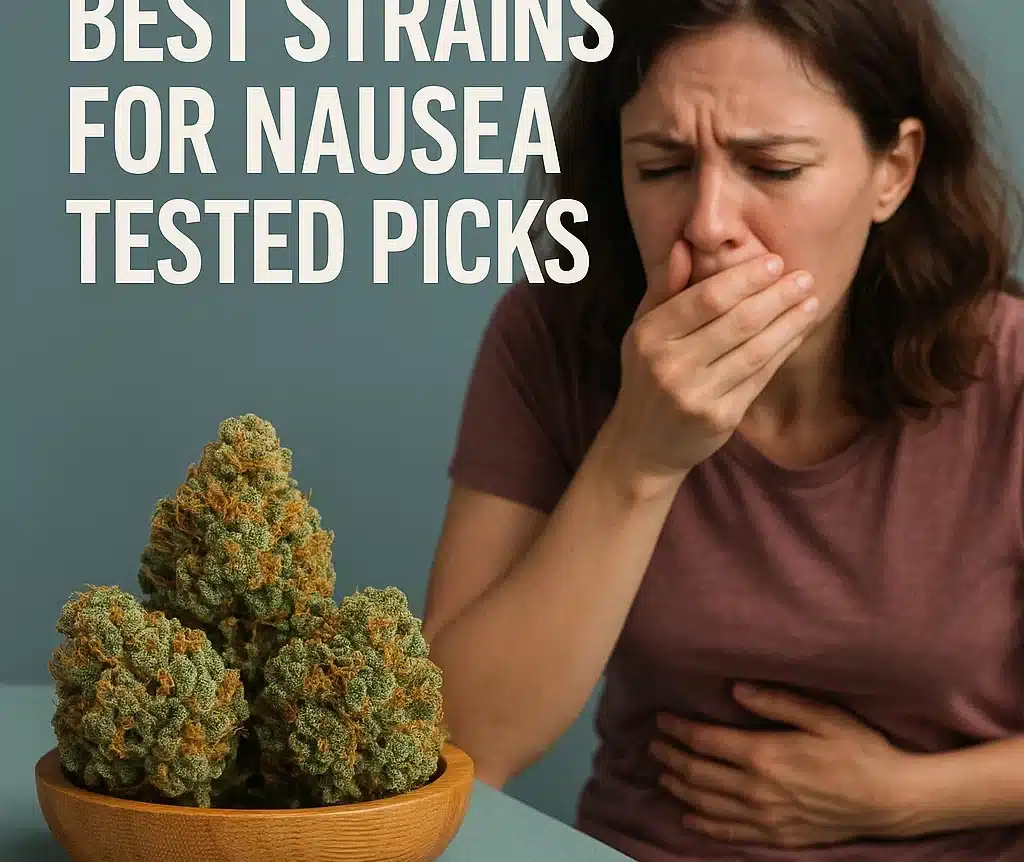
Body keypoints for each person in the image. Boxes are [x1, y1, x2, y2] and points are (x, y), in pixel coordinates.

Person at [422, 0, 1024, 859]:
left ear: (893, 169)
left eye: (773, 168)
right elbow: (458, 743)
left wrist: (901, 799)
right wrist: (637, 458)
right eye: (662, 166)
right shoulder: (550, 340)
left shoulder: (1010, 375)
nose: (707, 225)